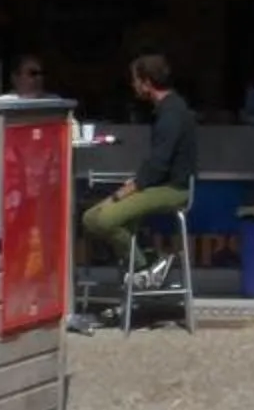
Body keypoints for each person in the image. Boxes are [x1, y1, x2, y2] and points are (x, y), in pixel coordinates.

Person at [79, 52, 197, 313]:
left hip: (172, 190)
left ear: (146, 82)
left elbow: (156, 168)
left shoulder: (172, 113)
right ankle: (150, 264)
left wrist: (122, 194)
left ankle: (145, 268)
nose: (133, 86)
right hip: (156, 185)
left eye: (135, 80)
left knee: (105, 219)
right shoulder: (165, 110)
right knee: (90, 217)